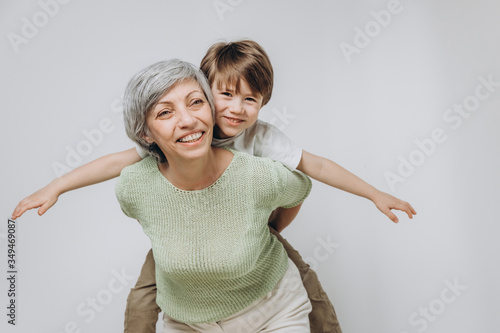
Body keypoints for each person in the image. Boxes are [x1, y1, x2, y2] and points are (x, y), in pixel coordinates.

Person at [12, 40, 416, 332]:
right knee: (146, 291)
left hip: (249, 225)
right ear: (206, 90)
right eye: (224, 95)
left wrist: (372, 195)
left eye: (251, 100)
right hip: (186, 234)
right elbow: (117, 162)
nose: (236, 110)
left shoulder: (260, 142)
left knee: (301, 275)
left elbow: (314, 170)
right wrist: (56, 186)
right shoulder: (179, 136)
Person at [117, 58, 314, 331]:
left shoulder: (257, 175)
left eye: (196, 102)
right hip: (189, 322)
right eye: (165, 113)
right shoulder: (134, 187)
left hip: (273, 310)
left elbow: (301, 187)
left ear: (211, 109)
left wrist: (270, 227)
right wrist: (58, 185)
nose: (187, 120)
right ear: (145, 133)